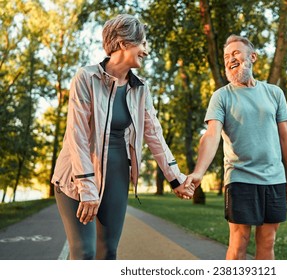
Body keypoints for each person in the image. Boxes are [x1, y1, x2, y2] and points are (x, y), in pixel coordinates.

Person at [51, 14, 194, 260]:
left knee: (108, 253)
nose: (146, 51)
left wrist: (175, 178)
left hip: (117, 175)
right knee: (83, 253)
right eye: (143, 44)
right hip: (75, 176)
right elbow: (77, 136)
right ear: (123, 43)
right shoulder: (86, 78)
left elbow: (154, 134)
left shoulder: (140, 89)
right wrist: (87, 187)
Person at [185, 35, 287, 260]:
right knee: (239, 243)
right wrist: (199, 171)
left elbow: (286, 139)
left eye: (236, 53)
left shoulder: (274, 93)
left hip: (274, 179)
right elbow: (211, 135)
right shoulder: (221, 97)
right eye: (227, 56)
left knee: (267, 242)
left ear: (252, 57)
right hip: (240, 178)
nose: (230, 59)